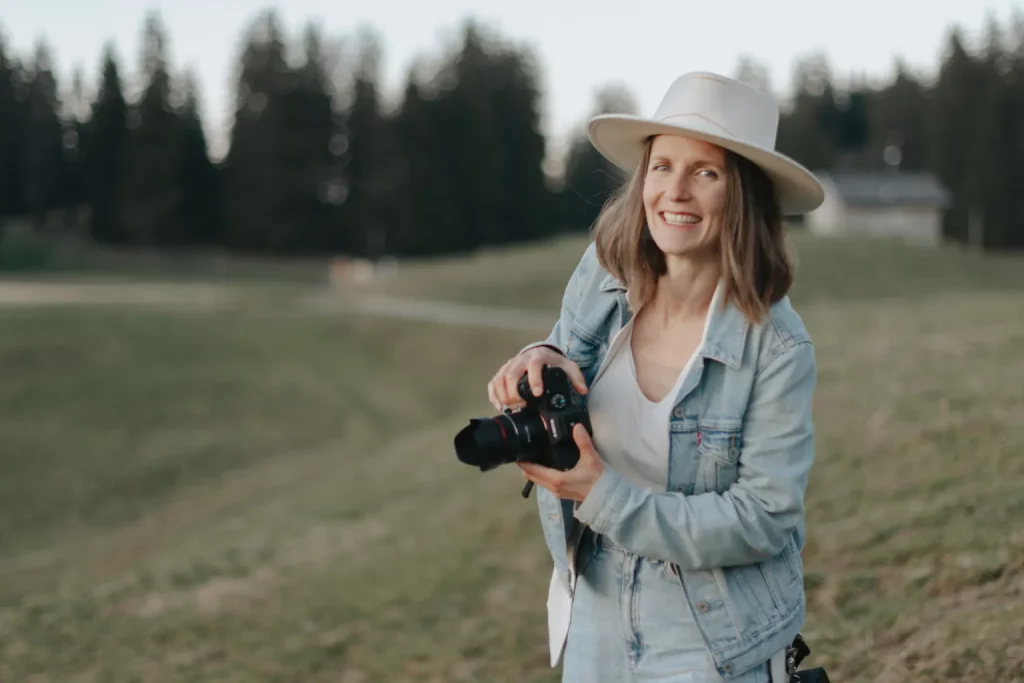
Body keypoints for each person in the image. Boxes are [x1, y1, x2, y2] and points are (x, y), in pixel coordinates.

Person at [486, 71, 824, 682]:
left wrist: (603, 497)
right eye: (662, 166)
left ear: (742, 195)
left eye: (706, 172)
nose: (676, 192)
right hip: (592, 596)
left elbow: (765, 517)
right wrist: (537, 356)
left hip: (708, 622)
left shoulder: (777, 348)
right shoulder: (605, 274)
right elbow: (565, 348)